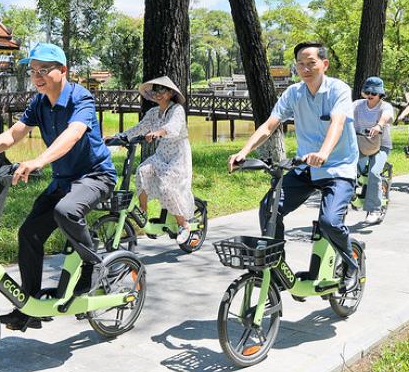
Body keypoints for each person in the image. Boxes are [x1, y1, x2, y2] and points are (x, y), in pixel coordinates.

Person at [0, 43, 116, 331]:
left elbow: (73, 134)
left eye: (44, 69)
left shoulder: (81, 98)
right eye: (33, 70)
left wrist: (39, 160)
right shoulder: (39, 103)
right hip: (64, 180)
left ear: (62, 70)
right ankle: (29, 307)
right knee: (28, 233)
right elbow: (13, 134)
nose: (37, 76)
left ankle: (93, 262)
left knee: (65, 211)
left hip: (95, 176)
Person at [228, 42, 360, 291]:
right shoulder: (294, 93)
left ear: (324, 64)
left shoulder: (338, 90)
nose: (305, 68)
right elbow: (269, 125)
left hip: (338, 167)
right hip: (305, 166)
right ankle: (277, 267)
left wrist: (323, 152)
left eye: (311, 63)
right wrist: (243, 152)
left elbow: (338, 123)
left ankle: (351, 262)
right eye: (301, 64)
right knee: (269, 208)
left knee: (330, 221)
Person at [118, 75, 198, 246]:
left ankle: (184, 225)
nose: (157, 94)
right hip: (162, 153)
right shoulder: (153, 112)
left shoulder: (177, 109)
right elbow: (140, 127)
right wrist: (120, 137)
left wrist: (158, 132)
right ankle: (143, 213)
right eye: (154, 91)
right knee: (142, 171)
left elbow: (173, 128)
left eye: (161, 90)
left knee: (166, 186)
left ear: (170, 93)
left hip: (178, 155)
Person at [352, 76, 394, 225]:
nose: (370, 95)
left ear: (380, 95)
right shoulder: (357, 105)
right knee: (349, 169)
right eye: (367, 92)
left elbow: (386, 116)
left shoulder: (385, 106)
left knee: (374, 172)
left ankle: (375, 209)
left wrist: (379, 125)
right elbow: (344, 114)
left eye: (374, 93)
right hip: (361, 143)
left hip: (381, 145)